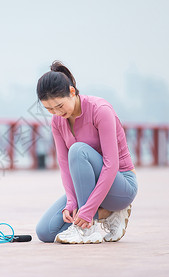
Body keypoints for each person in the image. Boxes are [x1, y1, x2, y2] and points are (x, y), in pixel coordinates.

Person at [35, 61, 138, 244]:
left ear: (72, 92)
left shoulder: (100, 110)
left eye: (59, 106)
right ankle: (105, 214)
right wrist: (71, 203)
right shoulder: (57, 122)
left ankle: (88, 229)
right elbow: (65, 166)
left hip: (120, 186)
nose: (56, 112)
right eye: (49, 109)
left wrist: (87, 212)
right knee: (45, 232)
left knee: (78, 150)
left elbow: (111, 165)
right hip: (87, 189)